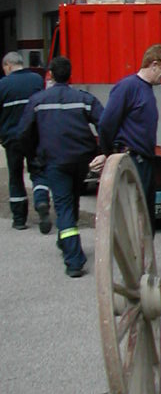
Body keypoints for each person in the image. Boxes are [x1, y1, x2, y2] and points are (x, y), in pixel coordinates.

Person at [17, 56, 103, 277]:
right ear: (70, 75)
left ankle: (74, 260)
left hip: (55, 160)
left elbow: (23, 133)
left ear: (51, 76)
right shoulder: (84, 99)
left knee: (64, 206)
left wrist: (33, 156)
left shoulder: (38, 100)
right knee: (72, 198)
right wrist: (103, 150)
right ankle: (65, 240)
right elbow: (104, 121)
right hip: (81, 159)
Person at [97, 43, 161, 231]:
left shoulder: (146, 89)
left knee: (146, 218)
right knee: (137, 218)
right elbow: (106, 123)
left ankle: (144, 258)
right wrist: (108, 154)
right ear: (154, 64)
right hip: (134, 161)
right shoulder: (128, 87)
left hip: (144, 161)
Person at [0, 51, 51, 232]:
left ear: (8, 65)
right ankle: (42, 202)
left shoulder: (2, 85)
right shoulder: (37, 80)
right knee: (38, 172)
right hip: (34, 136)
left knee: (15, 176)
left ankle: (19, 219)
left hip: (12, 138)